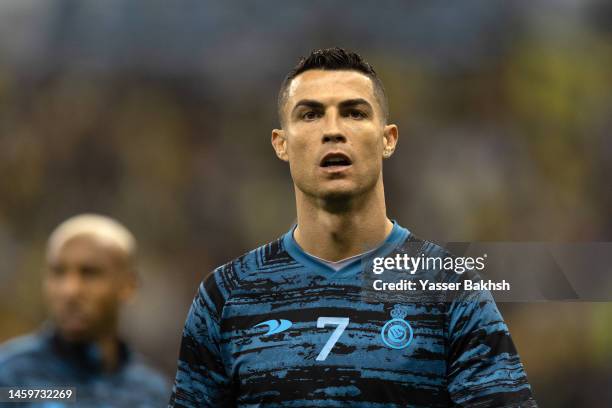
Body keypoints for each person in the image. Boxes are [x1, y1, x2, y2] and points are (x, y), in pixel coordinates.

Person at [169, 48, 537, 407]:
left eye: (354, 113)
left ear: (387, 139)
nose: (333, 131)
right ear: (281, 144)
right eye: (311, 115)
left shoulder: (450, 289)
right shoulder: (225, 296)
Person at [0, 214, 169, 407]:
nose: (70, 290)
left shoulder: (152, 393)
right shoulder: (10, 379)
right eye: (58, 272)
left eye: (90, 273)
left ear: (128, 285)